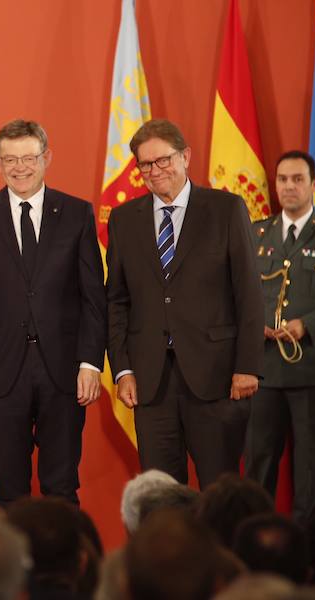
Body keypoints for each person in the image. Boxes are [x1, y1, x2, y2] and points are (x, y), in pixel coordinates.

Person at [0, 119, 106, 506]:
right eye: (10, 159)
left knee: (62, 485)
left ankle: (64, 567)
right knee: (8, 486)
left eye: (28, 158)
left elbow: (93, 296)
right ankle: (12, 568)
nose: (19, 167)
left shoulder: (76, 213)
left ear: (46, 158)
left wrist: (90, 362)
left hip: (64, 370)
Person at [106, 118, 263, 486]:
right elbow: (116, 300)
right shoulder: (124, 219)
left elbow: (249, 293)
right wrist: (124, 369)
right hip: (150, 382)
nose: (155, 171)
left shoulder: (226, 209)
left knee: (219, 491)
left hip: (218, 378)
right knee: (160, 494)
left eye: (163, 160)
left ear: (185, 156)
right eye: (145, 164)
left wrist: (248, 366)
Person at [246, 150, 315, 523]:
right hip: (263, 370)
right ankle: (256, 544)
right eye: (282, 179)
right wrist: (253, 324)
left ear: (314, 185)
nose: (289, 186)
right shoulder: (255, 233)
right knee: (258, 464)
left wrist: (307, 324)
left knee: (311, 470)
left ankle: (309, 554)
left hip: (313, 370)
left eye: (298, 179)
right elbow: (237, 293)